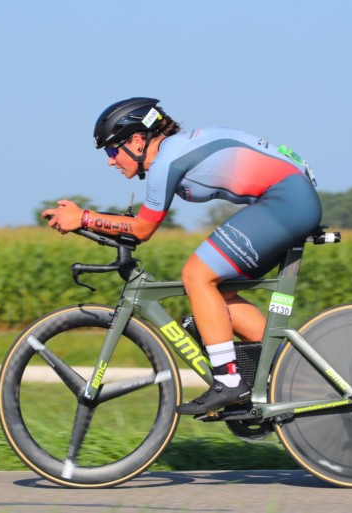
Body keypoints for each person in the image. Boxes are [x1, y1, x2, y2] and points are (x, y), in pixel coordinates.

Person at [42, 97, 322, 415]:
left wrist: (85, 218)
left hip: (286, 200)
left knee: (197, 274)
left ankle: (229, 381)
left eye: (111, 150)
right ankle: (295, 374)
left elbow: (143, 229)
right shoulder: (175, 151)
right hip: (290, 198)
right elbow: (139, 223)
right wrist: (90, 219)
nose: (110, 161)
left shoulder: (167, 161)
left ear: (136, 140)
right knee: (219, 293)